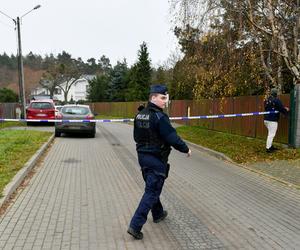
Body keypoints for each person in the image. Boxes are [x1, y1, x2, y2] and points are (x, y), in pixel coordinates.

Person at [127, 84, 192, 240]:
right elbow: (172, 138)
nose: (165, 101)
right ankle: (135, 225)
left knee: (152, 186)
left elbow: (136, 137)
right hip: (156, 159)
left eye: (165, 98)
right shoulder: (159, 117)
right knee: (152, 191)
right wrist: (186, 149)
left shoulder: (140, 114)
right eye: (163, 98)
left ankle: (158, 213)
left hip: (142, 158)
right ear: (153, 97)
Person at [264, 88, 289, 153]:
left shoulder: (267, 100)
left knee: (270, 133)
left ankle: (270, 146)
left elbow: (267, 108)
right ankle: (268, 148)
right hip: (272, 120)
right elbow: (281, 108)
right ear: (276, 94)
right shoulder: (276, 100)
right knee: (271, 134)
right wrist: (286, 111)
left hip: (266, 120)